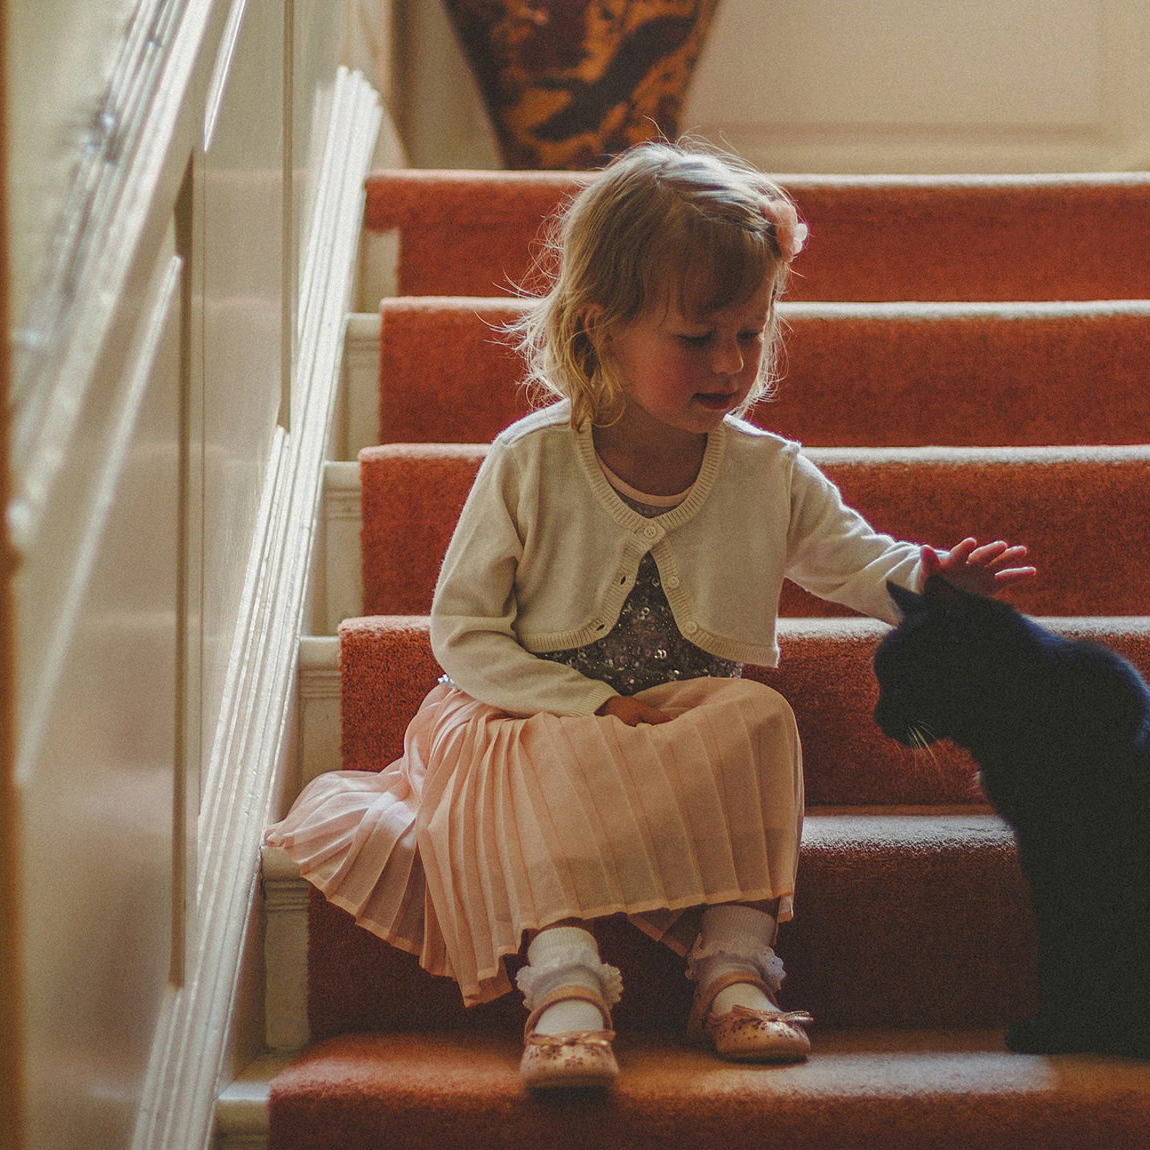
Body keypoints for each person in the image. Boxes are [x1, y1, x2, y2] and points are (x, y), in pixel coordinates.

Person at [266, 139, 1034, 1091]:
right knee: (519, 748)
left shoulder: (767, 471)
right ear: (599, 329)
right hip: (536, 711)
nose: (730, 363)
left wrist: (931, 581)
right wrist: (583, 704)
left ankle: (735, 968)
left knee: (760, 718)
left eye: (749, 335)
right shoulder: (533, 460)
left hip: (672, 720)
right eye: (696, 338)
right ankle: (564, 983)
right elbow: (462, 633)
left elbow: (850, 557)